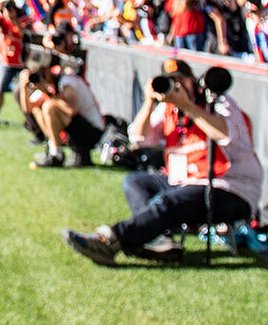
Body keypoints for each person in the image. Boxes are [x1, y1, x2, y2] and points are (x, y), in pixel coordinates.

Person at [63, 59, 263, 264]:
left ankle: (110, 240)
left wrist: (188, 105)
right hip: (186, 180)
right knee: (136, 182)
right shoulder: (169, 109)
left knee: (168, 202)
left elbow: (224, 134)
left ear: (192, 81)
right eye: (170, 81)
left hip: (228, 186)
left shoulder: (216, 101)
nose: (175, 87)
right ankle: (159, 241)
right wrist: (149, 102)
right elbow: (138, 138)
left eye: (180, 81)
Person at [20, 26, 104, 167]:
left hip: (93, 132)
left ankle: (56, 154)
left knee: (49, 107)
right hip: (79, 128)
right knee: (39, 109)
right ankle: (52, 148)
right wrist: (23, 87)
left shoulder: (68, 81)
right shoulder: (57, 84)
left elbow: (70, 111)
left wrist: (47, 93)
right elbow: (28, 109)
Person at [0, 0, 32, 128]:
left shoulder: (23, 16)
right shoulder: (1, 18)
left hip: (22, 61)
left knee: (24, 92)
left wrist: (13, 18)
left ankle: (29, 120)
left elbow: (22, 33)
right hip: (5, 60)